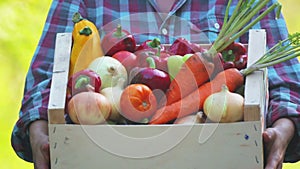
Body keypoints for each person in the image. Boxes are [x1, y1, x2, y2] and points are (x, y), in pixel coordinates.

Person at [11, 0, 300, 169]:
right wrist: (39, 131)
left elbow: (286, 83)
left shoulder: (250, 3)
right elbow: (46, 81)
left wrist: (283, 129)